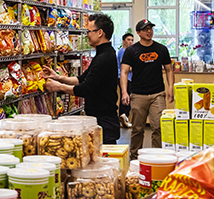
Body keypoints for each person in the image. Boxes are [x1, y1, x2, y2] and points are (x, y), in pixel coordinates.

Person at [43, 13, 120, 144]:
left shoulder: (104, 58)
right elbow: (82, 79)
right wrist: (58, 77)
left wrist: (58, 87)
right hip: (101, 118)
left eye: (89, 31)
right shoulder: (103, 54)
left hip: (104, 121)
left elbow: (84, 89)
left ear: (100, 32)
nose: (87, 35)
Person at [120, 19, 174, 160]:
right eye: (145, 29)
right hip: (138, 95)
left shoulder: (161, 49)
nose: (149, 31)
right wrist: (124, 92)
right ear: (138, 33)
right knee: (137, 129)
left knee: (158, 127)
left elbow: (169, 70)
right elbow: (124, 72)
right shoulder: (131, 51)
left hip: (158, 94)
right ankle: (134, 158)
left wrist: (171, 88)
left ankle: (158, 157)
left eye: (150, 28)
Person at [117, 32, 134, 128]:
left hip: (129, 78)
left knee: (128, 98)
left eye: (132, 40)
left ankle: (124, 118)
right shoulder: (123, 52)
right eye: (128, 40)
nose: (131, 42)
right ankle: (123, 117)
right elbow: (126, 68)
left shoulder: (128, 52)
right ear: (123, 41)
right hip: (124, 78)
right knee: (126, 98)